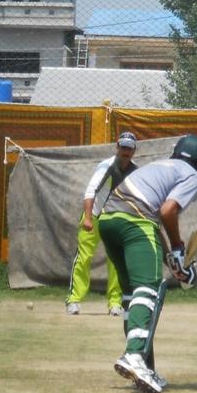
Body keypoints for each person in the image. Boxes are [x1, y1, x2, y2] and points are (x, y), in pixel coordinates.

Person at [98, 134, 197, 393]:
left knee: (131, 296)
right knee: (147, 289)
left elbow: (154, 216)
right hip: (135, 220)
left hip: (109, 220)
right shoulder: (192, 176)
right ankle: (133, 355)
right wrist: (180, 248)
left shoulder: (159, 166)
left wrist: (171, 256)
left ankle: (144, 367)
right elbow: (166, 211)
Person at [65, 131, 140, 316]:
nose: (126, 152)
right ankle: (73, 300)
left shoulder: (135, 170)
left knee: (116, 262)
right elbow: (91, 191)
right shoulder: (107, 166)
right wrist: (89, 218)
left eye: (129, 149)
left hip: (114, 219)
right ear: (117, 147)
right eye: (123, 147)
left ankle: (115, 303)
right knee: (83, 258)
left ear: (134, 151)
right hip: (95, 216)